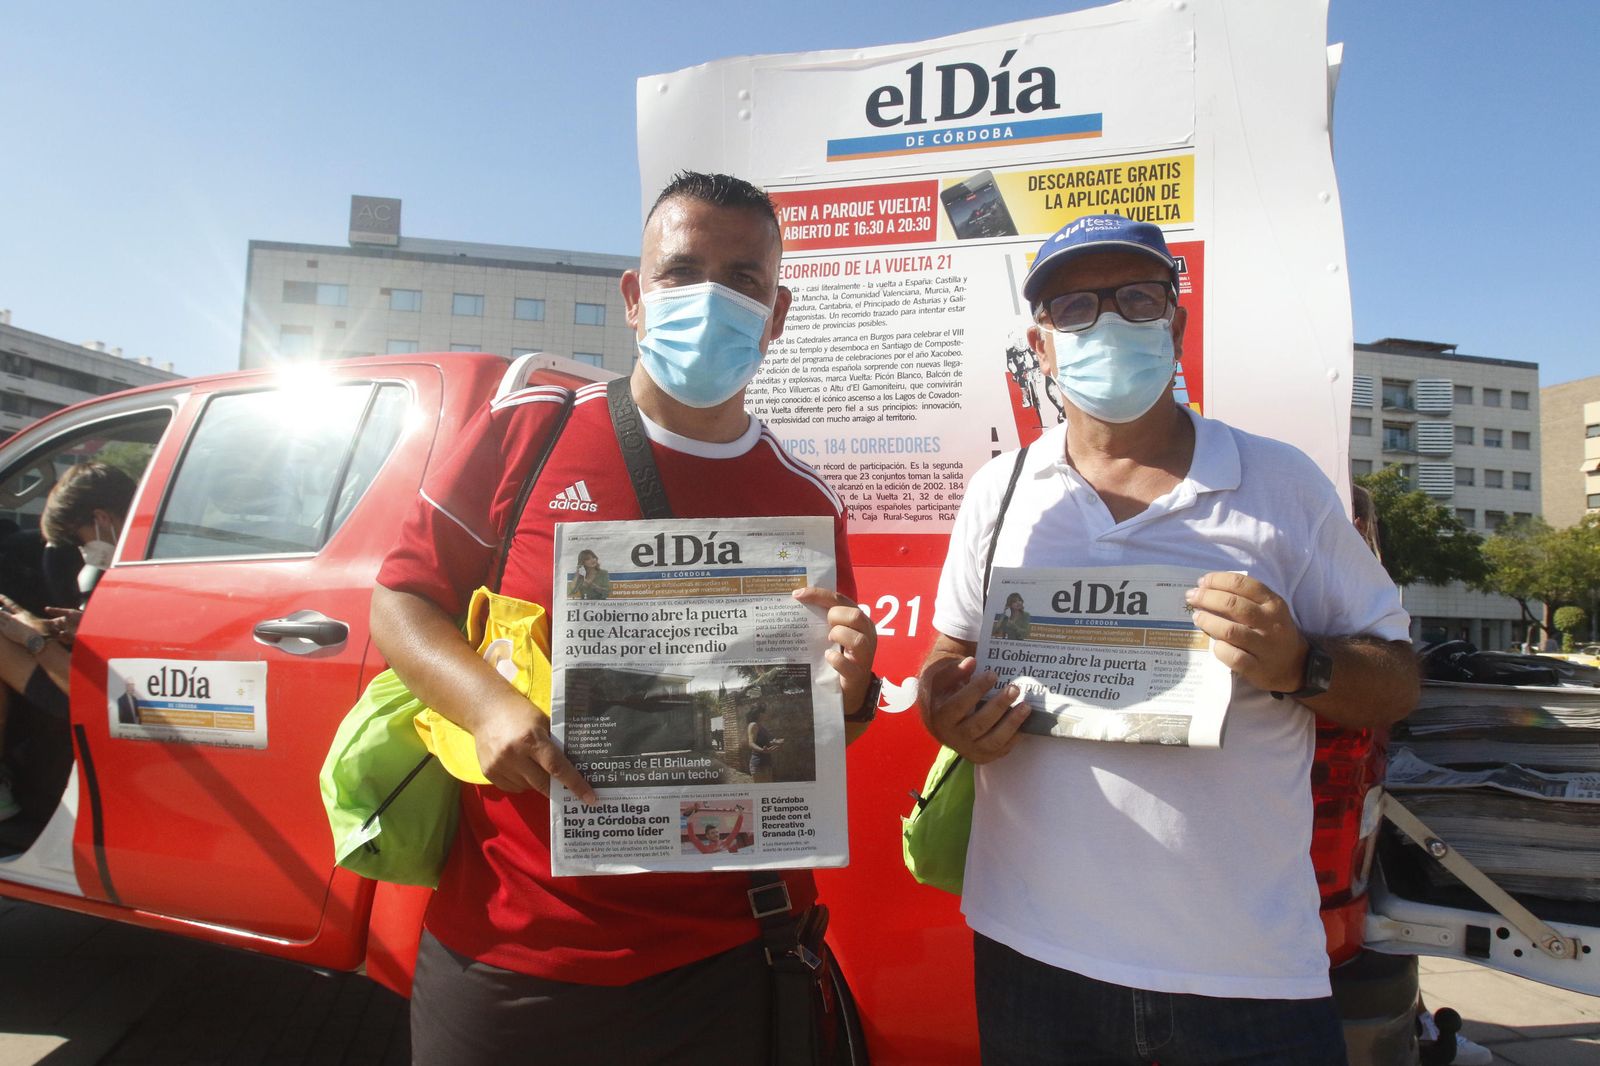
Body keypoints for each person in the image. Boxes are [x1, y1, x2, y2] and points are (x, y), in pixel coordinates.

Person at [370, 171, 879, 1065]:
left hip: (729, 954)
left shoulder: (800, 502)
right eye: (681, 273)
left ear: (778, 312)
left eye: (744, 279)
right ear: (636, 301)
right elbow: (403, 600)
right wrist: (486, 705)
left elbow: (819, 718)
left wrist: (850, 687)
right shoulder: (527, 435)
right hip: (513, 943)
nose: (711, 298)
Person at [919, 214, 1419, 1065]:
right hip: (1029, 954)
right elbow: (945, 659)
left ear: (1176, 323)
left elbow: (1399, 681)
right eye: (1073, 307)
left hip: (1243, 978)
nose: (1106, 323)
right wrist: (945, 709)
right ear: (1041, 344)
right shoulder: (999, 492)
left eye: (1136, 298)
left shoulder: (1279, 482)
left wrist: (1304, 662)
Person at [0, 462, 135, 822]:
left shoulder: (123, 571)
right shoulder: (153, 556)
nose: (81, 551)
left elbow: (93, 693)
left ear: (102, 518)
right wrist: (81, 626)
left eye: (78, 539)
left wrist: (32, 638)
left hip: (115, 705)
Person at [745, 704, 784, 783]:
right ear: (759, 714)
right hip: (758, 764)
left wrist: (775, 742)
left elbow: (762, 742)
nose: (766, 714)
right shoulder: (753, 725)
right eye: (764, 712)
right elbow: (751, 743)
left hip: (766, 763)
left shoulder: (761, 726)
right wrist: (762, 750)